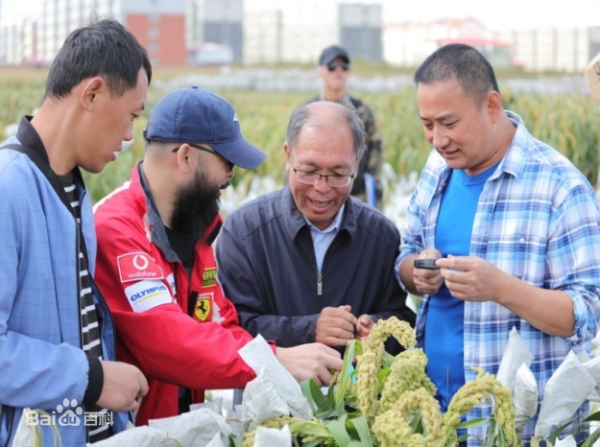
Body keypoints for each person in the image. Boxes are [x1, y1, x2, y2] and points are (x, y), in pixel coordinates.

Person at [395, 43, 600, 444]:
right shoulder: (436, 170)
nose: (437, 139)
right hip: (436, 415)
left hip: (520, 427)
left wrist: (500, 289)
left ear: (491, 105)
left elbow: (588, 311)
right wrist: (417, 270)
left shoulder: (558, 186)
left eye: (448, 122)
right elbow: (406, 251)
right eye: (427, 124)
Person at [92, 87, 344, 426]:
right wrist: (273, 359)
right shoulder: (117, 228)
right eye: (226, 160)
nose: (232, 173)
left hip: (172, 428)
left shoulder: (195, 229)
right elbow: (167, 340)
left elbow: (221, 323)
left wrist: (283, 362)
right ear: (184, 157)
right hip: (127, 431)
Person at [0, 19, 151, 447]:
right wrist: (92, 378)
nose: (127, 137)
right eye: (131, 116)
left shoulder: (73, 188)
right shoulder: (7, 187)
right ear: (92, 93)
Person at [216, 101, 415, 354]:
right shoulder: (245, 232)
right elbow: (230, 328)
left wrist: (376, 329)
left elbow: (404, 322)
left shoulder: (381, 235)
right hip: (271, 393)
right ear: (288, 156)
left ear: (356, 163)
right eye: (309, 171)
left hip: (355, 394)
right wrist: (309, 330)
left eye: (338, 174)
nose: (322, 188)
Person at [306, 44, 383, 209]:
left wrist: (377, 205)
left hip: (355, 198)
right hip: (316, 199)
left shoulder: (362, 112)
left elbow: (375, 160)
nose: (338, 70)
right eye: (332, 66)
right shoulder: (307, 112)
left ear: (350, 71)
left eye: (344, 66)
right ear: (320, 71)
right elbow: (294, 160)